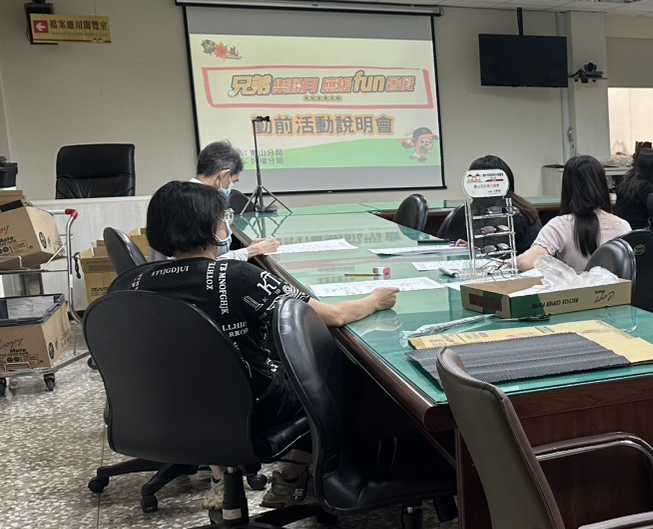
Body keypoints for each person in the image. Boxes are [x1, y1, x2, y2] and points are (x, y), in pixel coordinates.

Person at [129, 181, 396, 510]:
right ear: (215, 228)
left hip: (158, 411)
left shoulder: (132, 283)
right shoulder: (239, 277)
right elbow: (335, 316)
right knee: (340, 371)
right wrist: (374, 300)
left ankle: (231, 477)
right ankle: (293, 477)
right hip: (250, 410)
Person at [517, 155, 630, 272]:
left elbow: (525, 263)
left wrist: (509, 262)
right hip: (616, 284)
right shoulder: (622, 225)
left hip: (574, 284)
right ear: (603, 184)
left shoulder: (560, 225)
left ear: (567, 186)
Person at [191, 141, 278, 259]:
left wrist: (248, 251)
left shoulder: (189, 197)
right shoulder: (200, 204)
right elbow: (203, 262)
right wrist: (250, 252)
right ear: (224, 175)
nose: (231, 186)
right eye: (233, 181)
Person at [447, 154, 542, 254]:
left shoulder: (507, 214)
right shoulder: (519, 207)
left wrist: (477, 250)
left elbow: (499, 255)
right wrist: (473, 248)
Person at [614, 147, 653, 230]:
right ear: (651, 166)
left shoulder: (628, 180)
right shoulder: (646, 187)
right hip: (640, 229)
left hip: (623, 228)